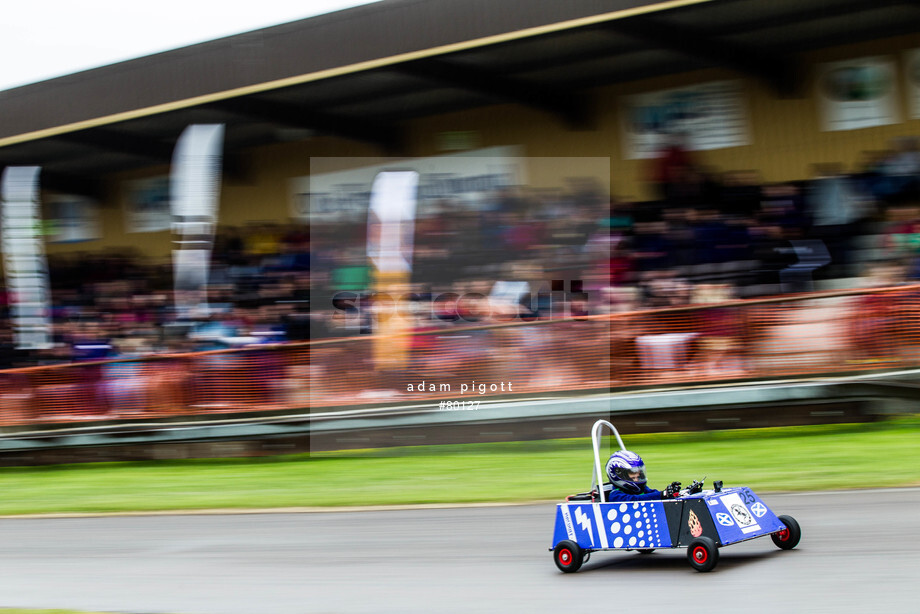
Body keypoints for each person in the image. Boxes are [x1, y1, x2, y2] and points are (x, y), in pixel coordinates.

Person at [602, 450, 681, 502]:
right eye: (633, 474)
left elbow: (653, 493)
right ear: (619, 474)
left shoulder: (640, 489)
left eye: (638, 473)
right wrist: (661, 495)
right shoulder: (616, 496)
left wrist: (671, 493)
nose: (637, 477)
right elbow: (636, 500)